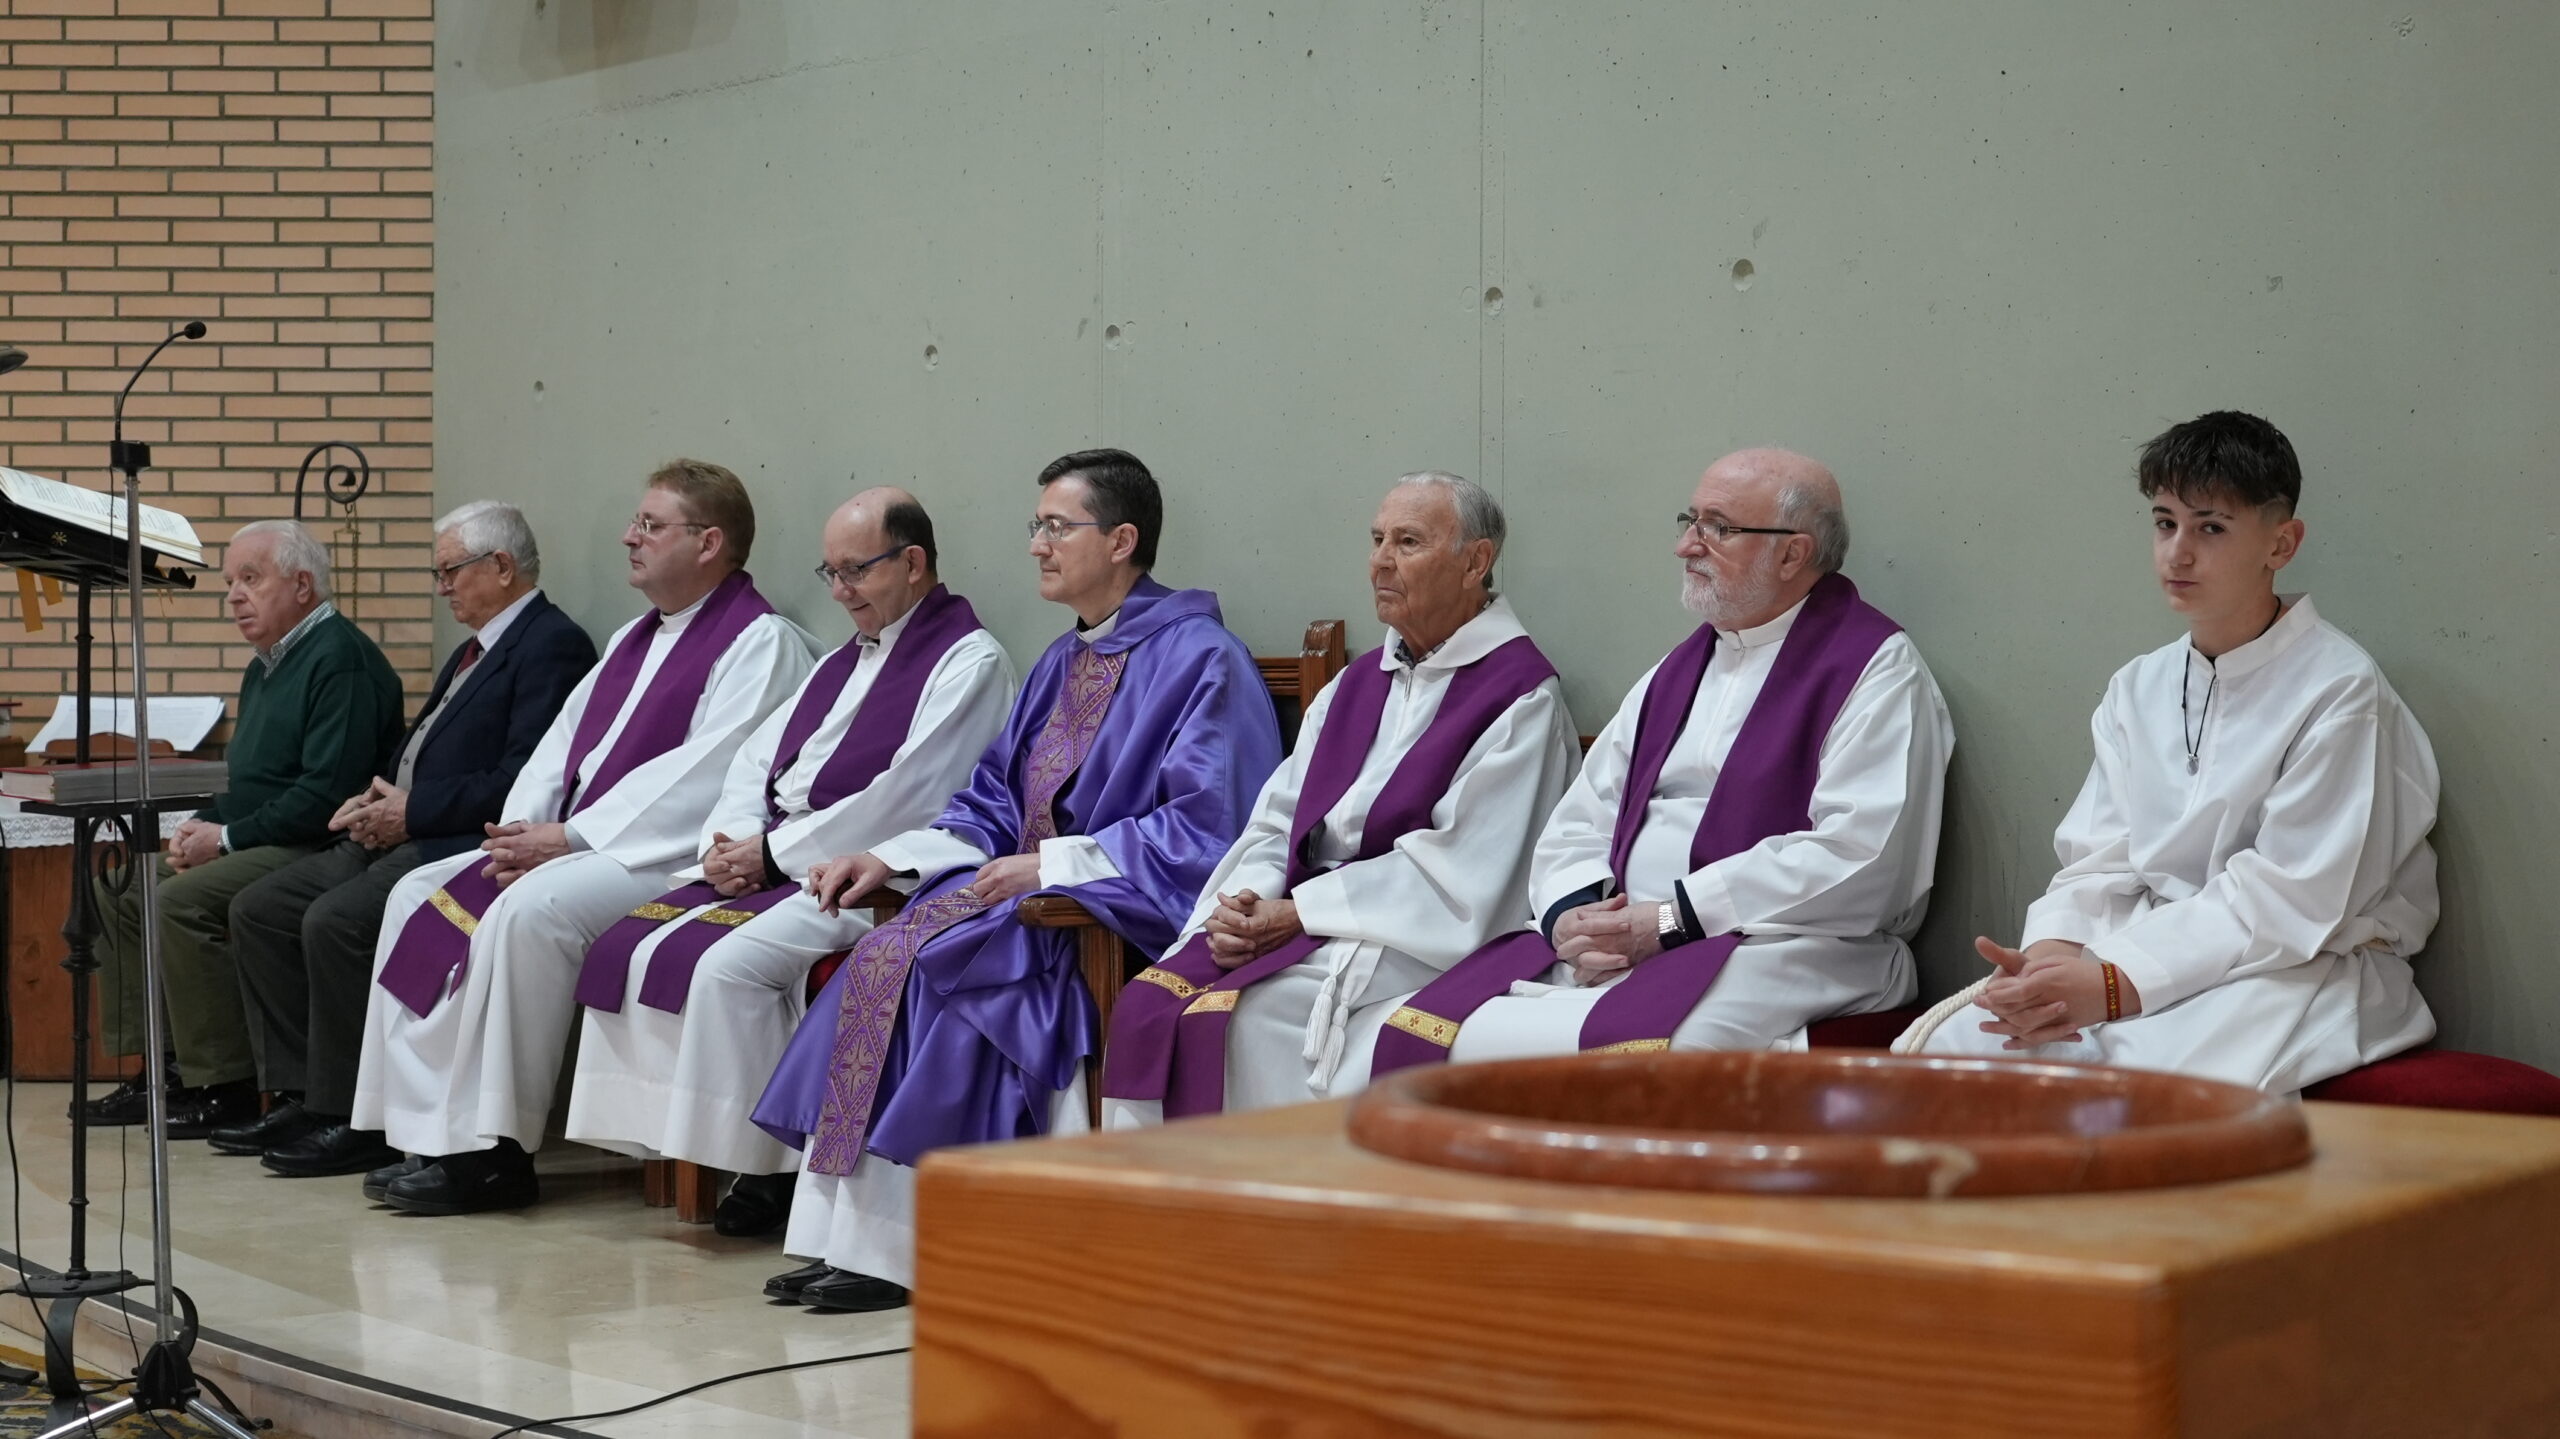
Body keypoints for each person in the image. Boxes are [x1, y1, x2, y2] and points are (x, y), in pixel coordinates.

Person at [755, 448, 1281, 1313]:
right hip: (1022, 894)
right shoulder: (1061, 660)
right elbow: (991, 799)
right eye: (1036, 526)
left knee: (950, 972)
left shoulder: (1202, 659)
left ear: (1121, 540)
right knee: (883, 952)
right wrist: (894, 857)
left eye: (1056, 527)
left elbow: (1211, 826)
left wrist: (1057, 864)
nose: (1036, 544)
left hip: (1096, 915)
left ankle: (910, 1247)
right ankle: (845, 1234)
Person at [1367, 449, 1951, 1074]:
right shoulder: (1677, 673)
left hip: (1782, 943)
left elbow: (1860, 857)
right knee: (1429, 1030)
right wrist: (1572, 915)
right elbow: (1582, 819)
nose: (1686, 546)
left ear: (1792, 554)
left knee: (1644, 1061)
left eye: (1717, 527)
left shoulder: (1876, 671)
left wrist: (1676, 918)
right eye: (1689, 521)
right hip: (1622, 938)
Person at [1912, 411, 2438, 1092]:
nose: (2177, 553)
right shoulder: (2140, 685)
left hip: (2296, 968)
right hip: (2140, 948)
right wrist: (2047, 964)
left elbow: (2292, 897)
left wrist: (2110, 984)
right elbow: (2099, 860)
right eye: (2165, 523)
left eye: (2210, 528)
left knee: (2127, 1088)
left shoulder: (2340, 688)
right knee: (1952, 1048)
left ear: (2281, 544)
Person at [351, 459, 814, 1215]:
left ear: (709, 542)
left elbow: (707, 772)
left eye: (651, 525)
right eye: (635, 522)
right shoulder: (634, 638)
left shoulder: (761, 642)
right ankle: (425, 1133)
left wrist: (568, 837)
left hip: (663, 856)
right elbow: (560, 749)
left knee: (531, 911)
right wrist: (520, 831)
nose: (629, 537)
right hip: (586, 841)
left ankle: (498, 1151)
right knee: (415, 894)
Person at [563, 489, 1015, 1235]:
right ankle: (680, 1144)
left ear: (912, 562)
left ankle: (766, 1166)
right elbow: (754, 760)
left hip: (870, 874)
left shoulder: (970, 661)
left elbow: (911, 795)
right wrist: (736, 839)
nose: (839, 592)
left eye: (855, 571)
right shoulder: (839, 660)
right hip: (784, 855)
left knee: (727, 968)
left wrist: (772, 854)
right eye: (830, 573)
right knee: (635, 944)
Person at [1101, 472, 1579, 1124]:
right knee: (1148, 1005)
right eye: (1377, 539)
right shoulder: (1355, 685)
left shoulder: (1521, 698)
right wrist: (1241, 906)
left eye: (1407, 542)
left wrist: (1300, 913)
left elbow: (1464, 873)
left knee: (1249, 1019)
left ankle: (1268, 1187)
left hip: (1408, 936)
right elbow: (1279, 821)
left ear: (1476, 562)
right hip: (1309, 914)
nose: (1380, 561)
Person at [218, 501, 594, 1176]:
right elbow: (425, 745)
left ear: (500, 566)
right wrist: (378, 793)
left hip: (459, 839)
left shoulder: (550, 645)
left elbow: (522, 778)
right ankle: (303, 1092)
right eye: (437, 573)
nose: (441, 587)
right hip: (404, 823)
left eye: (450, 571)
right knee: (261, 909)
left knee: (336, 921)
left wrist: (412, 809)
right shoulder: (474, 647)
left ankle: (354, 1116)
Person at [85, 519, 403, 1137]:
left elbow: (326, 794)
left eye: (251, 579)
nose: (234, 596)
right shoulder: (267, 664)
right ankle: (165, 1070)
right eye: (231, 582)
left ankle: (223, 1084)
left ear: (303, 585)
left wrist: (225, 840)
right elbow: (251, 778)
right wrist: (203, 824)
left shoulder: (340, 660)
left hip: (316, 843)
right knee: (120, 889)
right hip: (265, 834)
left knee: (177, 901)